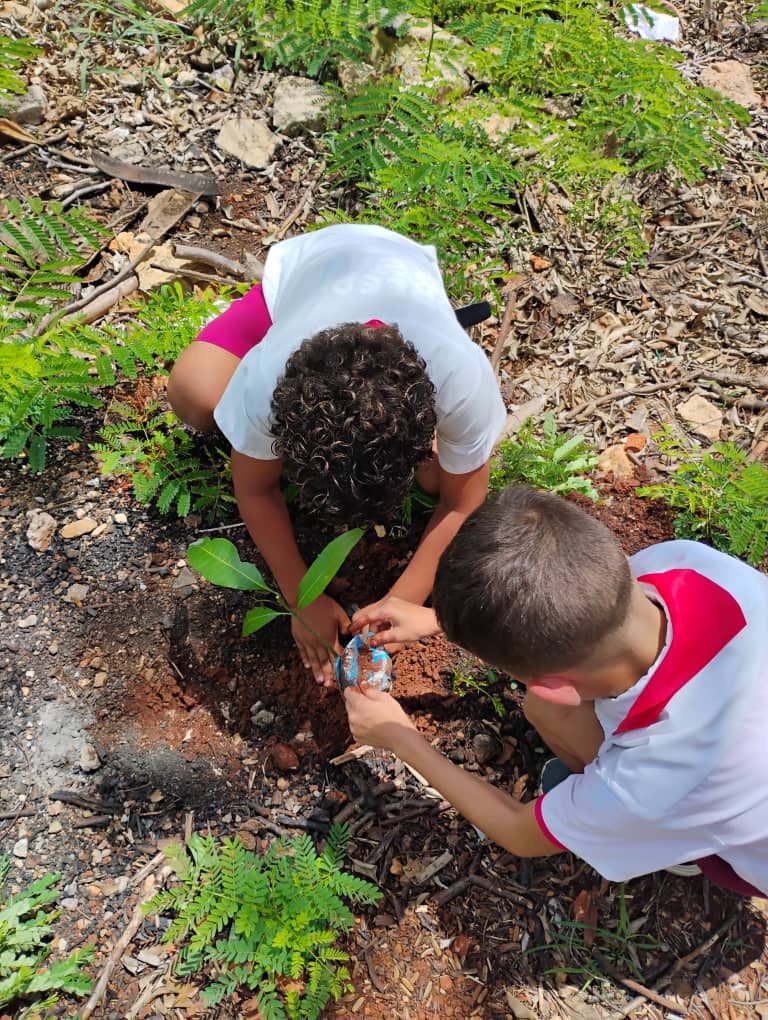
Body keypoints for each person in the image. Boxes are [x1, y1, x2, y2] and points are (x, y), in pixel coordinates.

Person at [345, 485, 768, 897]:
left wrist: (399, 737)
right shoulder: (687, 562)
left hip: (752, 857)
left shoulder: (652, 781)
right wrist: (443, 619)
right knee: (548, 713)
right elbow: (572, 606)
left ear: (558, 688)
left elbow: (518, 832)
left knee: (552, 720)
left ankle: (681, 842)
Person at [167, 224, 506, 686]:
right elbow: (257, 488)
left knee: (438, 484)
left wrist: (402, 603)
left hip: (401, 271)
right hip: (309, 272)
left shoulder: (461, 381)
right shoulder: (267, 380)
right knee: (192, 394)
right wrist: (299, 594)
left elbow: (463, 502)